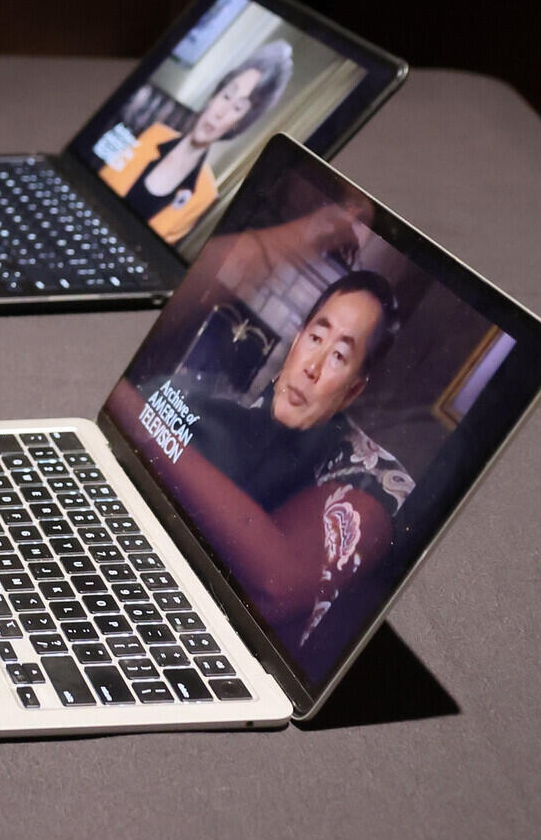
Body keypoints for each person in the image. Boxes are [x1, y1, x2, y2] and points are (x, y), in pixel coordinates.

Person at [122, 270, 413, 649]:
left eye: (339, 355)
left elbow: (277, 587)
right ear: (296, 344)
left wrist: (136, 417)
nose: (313, 366)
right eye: (315, 338)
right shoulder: (210, 408)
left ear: (353, 389)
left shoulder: (368, 475)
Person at [97, 39, 295, 244]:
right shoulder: (152, 134)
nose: (221, 112)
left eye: (237, 108)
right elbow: (96, 186)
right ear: (214, 96)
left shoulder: (205, 195)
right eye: (227, 96)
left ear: (239, 124)